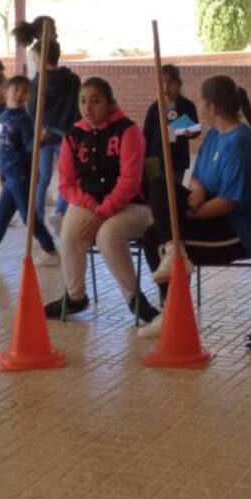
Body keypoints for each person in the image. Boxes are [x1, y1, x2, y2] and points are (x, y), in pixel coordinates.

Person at [139, 75, 251, 338]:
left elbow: (229, 201)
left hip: (235, 230)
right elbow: (197, 177)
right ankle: (174, 254)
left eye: (203, 102)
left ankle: (173, 311)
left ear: (212, 106)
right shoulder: (213, 134)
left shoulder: (240, 143)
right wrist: (197, 191)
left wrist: (190, 213)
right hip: (205, 209)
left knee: (156, 238)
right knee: (159, 186)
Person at [43, 77, 158, 323]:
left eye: (95, 101)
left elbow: (130, 183)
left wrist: (102, 213)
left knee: (108, 235)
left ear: (109, 103)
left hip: (133, 205)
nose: (88, 108)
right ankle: (75, 296)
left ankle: (135, 299)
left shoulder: (128, 131)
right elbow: (66, 184)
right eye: (83, 101)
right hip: (91, 202)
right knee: (70, 233)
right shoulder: (73, 135)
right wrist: (92, 207)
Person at [0, 76, 59, 265]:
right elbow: (1, 148)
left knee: (28, 217)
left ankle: (51, 251)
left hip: (22, 176)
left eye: (24, 91)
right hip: (9, 175)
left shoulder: (24, 120)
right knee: (1, 214)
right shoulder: (1, 117)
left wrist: (40, 139)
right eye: (16, 89)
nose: (19, 94)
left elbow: (29, 148)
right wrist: (2, 173)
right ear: (6, 91)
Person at [29, 39, 80, 234]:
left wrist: (40, 128)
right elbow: (75, 108)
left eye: (34, 57)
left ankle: (38, 217)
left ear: (41, 57)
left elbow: (33, 108)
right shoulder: (72, 80)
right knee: (67, 176)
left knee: (42, 177)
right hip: (65, 133)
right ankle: (59, 211)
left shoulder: (40, 81)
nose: (33, 61)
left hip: (44, 135)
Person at [142, 63, 199, 186]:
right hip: (156, 159)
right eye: (161, 82)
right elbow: (146, 135)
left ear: (178, 84)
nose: (165, 87)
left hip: (177, 161)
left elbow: (195, 130)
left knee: (174, 191)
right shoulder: (154, 108)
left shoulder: (187, 106)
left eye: (169, 82)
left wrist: (190, 131)